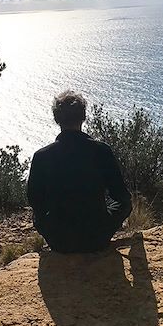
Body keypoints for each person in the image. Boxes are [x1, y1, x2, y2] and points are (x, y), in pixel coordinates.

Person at [26, 91, 131, 253]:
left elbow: (34, 200)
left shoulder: (42, 156)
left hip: (60, 241)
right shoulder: (101, 151)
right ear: (83, 117)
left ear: (56, 119)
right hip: (97, 237)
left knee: (38, 215)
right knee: (124, 204)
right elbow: (122, 196)